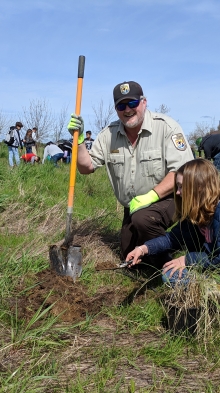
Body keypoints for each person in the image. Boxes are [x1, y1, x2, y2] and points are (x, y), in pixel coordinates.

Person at [67, 80, 194, 266]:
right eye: (121, 105)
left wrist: (151, 196)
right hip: (134, 207)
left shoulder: (167, 128)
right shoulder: (108, 135)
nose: (127, 110)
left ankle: (167, 267)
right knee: (128, 252)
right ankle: (169, 243)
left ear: (144, 102)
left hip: (173, 197)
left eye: (132, 103)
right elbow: (86, 168)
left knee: (144, 220)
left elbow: (182, 172)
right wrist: (77, 141)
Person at [126, 159, 220, 289]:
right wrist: (144, 248)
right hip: (215, 261)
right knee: (170, 275)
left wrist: (188, 260)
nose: (178, 192)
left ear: (198, 187)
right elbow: (172, 239)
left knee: (173, 277)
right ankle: (219, 292)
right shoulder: (197, 208)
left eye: (181, 187)